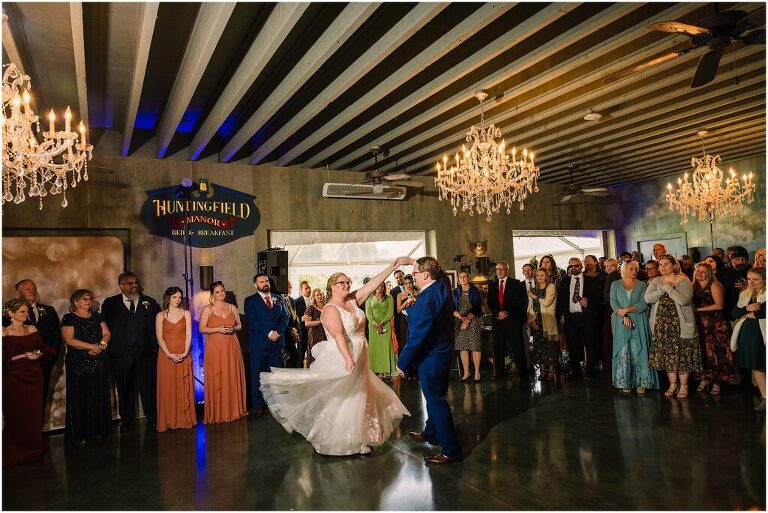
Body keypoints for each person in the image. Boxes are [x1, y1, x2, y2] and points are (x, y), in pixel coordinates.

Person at [260, 258, 411, 456]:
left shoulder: (352, 300)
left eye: (348, 282)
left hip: (361, 353)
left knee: (361, 395)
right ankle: (345, 441)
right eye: (342, 282)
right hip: (344, 355)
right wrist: (348, 359)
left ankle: (359, 436)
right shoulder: (330, 309)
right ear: (332, 286)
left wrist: (393, 267)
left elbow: (372, 284)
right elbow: (339, 335)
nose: (347, 284)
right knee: (349, 398)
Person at [398, 256, 461, 465]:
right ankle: (432, 432)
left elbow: (417, 338)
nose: (413, 276)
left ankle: (451, 450)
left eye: (415, 272)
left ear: (425, 275)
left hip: (431, 358)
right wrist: (414, 261)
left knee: (436, 402)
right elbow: (439, 273)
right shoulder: (442, 286)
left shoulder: (426, 300)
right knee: (434, 397)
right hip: (441, 353)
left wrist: (402, 362)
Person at [101, 272, 161, 429]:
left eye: (135, 283)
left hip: (145, 353)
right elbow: (103, 327)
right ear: (121, 285)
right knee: (124, 387)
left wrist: (154, 347)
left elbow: (158, 326)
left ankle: (152, 416)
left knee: (148, 386)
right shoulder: (110, 303)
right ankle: (127, 419)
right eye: (130, 283)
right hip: (121, 353)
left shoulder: (149, 302)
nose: (134, 286)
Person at [3, 299, 52, 465]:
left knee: (33, 413)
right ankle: (14, 451)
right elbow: (3, 359)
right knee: (16, 413)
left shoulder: (32, 328)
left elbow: (43, 348)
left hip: (35, 375)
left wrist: (38, 354)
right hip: (14, 377)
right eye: (22, 311)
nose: (26, 314)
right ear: (10, 313)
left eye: (27, 311)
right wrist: (23, 356)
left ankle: (34, 448)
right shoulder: (4, 332)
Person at [61, 289, 112, 445]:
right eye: (84, 299)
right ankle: (80, 434)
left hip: (99, 360)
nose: (88, 301)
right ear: (76, 302)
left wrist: (100, 346)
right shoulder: (69, 318)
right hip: (78, 362)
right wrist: (92, 346)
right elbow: (69, 340)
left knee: (98, 394)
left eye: (89, 299)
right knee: (80, 397)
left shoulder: (97, 316)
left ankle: (99, 431)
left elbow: (107, 334)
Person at [646, 255, 701, 399]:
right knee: (668, 355)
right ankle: (672, 384)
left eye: (665, 264)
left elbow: (684, 300)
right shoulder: (656, 281)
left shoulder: (683, 280)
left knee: (682, 355)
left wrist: (669, 289)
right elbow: (647, 298)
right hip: (662, 325)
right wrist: (661, 290)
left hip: (680, 325)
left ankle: (684, 385)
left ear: (674, 266)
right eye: (660, 264)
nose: (662, 267)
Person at [6, 279, 61, 410]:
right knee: (19, 404)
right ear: (18, 294)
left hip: (43, 366)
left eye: (34, 289)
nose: (32, 291)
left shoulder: (49, 310)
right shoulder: (8, 314)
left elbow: (56, 338)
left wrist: (49, 359)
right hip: (19, 369)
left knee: (39, 402)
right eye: (28, 289)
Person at [200, 281, 247, 423]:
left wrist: (233, 328)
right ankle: (218, 412)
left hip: (232, 346)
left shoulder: (232, 307)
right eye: (217, 292)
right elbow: (202, 328)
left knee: (231, 375)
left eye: (222, 291)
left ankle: (234, 409)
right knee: (217, 376)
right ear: (212, 294)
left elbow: (239, 325)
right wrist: (218, 329)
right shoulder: (207, 309)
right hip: (215, 348)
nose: (221, 294)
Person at [610, 261, 658, 394]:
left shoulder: (642, 285)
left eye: (636, 269)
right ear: (624, 270)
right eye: (631, 269)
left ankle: (642, 382)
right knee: (624, 349)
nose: (634, 271)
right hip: (621, 321)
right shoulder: (615, 284)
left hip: (639, 320)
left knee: (640, 349)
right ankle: (625, 381)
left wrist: (627, 310)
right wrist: (624, 316)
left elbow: (643, 304)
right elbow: (613, 303)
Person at [244, 274, 289, 417]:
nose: (265, 283)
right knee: (258, 375)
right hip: (259, 345)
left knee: (275, 376)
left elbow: (285, 317)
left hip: (277, 344)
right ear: (255, 285)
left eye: (266, 281)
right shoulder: (250, 301)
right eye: (261, 281)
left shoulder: (278, 298)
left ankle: (275, 403)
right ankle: (257, 405)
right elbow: (252, 321)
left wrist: (278, 332)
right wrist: (269, 333)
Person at [155, 287, 196, 432]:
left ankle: (184, 420)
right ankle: (169, 421)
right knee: (168, 388)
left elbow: (189, 335)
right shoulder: (160, 315)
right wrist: (169, 354)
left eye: (179, 297)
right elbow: (159, 338)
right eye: (174, 297)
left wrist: (185, 353)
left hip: (183, 353)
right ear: (168, 298)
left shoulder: (186, 313)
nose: (177, 300)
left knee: (183, 387)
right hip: (166, 356)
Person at [692, 263, 733, 395]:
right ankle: (704, 378)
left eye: (703, 271)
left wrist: (698, 310)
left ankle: (717, 381)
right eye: (697, 270)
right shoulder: (693, 286)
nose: (699, 273)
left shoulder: (714, 285)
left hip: (715, 324)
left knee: (716, 352)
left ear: (709, 273)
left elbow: (719, 305)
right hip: (700, 324)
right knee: (703, 352)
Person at [558, 258, 603, 379]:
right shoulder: (565, 281)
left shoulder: (591, 281)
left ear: (582, 266)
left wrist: (588, 301)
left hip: (587, 317)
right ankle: (575, 370)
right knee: (573, 344)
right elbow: (561, 300)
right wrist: (560, 316)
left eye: (576, 266)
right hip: (571, 317)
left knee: (590, 343)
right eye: (571, 266)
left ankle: (591, 369)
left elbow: (599, 298)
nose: (574, 268)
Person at [731, 268, 766, 411]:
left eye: (755, 279)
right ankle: (765, 397)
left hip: (763, 331)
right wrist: (747, 309)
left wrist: (751, 314)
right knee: (757, 366)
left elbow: (762, 312)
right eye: (749, 278)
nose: (751, 282)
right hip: (749, 333)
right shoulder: (745, 294)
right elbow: (735, 313)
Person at [487, 261, 528, 380]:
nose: (499, 271)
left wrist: (505, 312)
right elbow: (490, 302)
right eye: (497, 269)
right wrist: (498, 313)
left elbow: (518, 302)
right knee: (498, 347)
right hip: (497, 320)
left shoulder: (516, 284)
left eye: (501, 269)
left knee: (517, 346)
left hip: (512, 319)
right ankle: (499, 372)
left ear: (507, 270)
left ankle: (523, 373)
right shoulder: (492, 285)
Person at [527, 268, 559, 382]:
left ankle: (550, 371)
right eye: (538, 275)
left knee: (550, 347)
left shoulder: (551, 287)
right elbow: (530, 308)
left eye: (542, 275)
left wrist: (534, 297)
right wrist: (532, 321)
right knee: (539, 347)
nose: (539, 277)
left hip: (548, 320)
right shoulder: (533, 289)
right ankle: (542, 371)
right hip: (536, 320)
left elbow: (547, 302)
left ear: (546, 276)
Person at [453, 271, 483, 382]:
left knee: (475, 346)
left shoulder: (475, 290)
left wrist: (467, 320)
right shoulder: (455, 292)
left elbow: (477, 307)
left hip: (473, 320)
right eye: (460, 277)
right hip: (459, 321)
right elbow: (452, 308)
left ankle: (477, 372)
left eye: (465, 276)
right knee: (463, 347)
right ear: (458, 280)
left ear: (469, 278)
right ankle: (466, 372)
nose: (463, 279)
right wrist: (462, 319)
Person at [365, 282, 396, 379]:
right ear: (375, 287)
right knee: (375, 347)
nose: (381, 288)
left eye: (383, 286)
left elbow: (390, 313)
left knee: (386, 346)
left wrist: (381, 323)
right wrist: (375, 324)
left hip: (386, 324)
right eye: (379, 286)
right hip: (373, 326)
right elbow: (368, 314)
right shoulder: (369, 298)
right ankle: (377, 370)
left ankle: (387, 370)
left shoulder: (389, 298)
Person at [396, 274, 419, 379]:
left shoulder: (418, 293)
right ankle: (406, 372)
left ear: (413, 283)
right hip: (404, 322)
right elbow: (398, 310)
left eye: (410, 283)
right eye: (406, 283)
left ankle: (416, 372)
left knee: (415, 345)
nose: (408, 285)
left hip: (416, 321)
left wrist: (414, 299)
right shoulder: (400, 295)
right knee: (406, 344)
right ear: (404, 284)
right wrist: (407, 301)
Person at [602, 258, 621, 375]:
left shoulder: (613, 276)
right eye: (607, 266)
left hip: (611, 309)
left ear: (616, 266)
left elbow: (608, 295)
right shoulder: (611, 276)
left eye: (611, 265)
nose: (609, 268)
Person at [302, 288, 326, 367]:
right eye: (317, 295)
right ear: (314, 297)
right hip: (314, 336)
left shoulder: (327, 307)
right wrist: (320, 321)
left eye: (321, 294)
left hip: (326, 335)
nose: (319, 296)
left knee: (324, 357)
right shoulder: (311, 308)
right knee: (315, 357)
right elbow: (307, 323)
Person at [281, 281, 301, 368]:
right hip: (283, 334)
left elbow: (295, 317)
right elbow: (279, 319)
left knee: (295, 357)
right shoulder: (277, 300)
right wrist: (291, 330)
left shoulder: (292, 300)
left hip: (292, 335)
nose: (289, 290)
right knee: (290, 357)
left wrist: (296, 330)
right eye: (287, 287)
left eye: (290, 287)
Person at [295, 280, 313, 367]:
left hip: (313, 333)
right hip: (302, 332)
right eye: (306, 288)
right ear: (301, 289)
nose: (309, 290)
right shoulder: (296, 301)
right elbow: (293, 318)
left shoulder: (314, 299)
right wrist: (302, 318)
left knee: (314, 355)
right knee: (301, 355)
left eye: (309, 288)